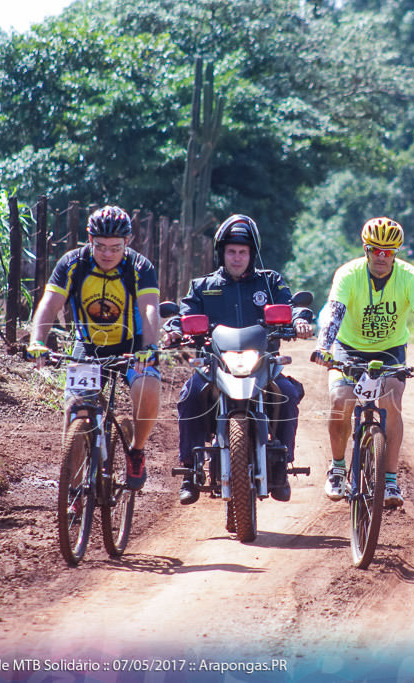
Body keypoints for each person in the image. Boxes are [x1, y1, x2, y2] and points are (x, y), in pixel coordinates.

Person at [164, 214, 314, 505]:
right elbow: (184, 315)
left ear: (252, 254)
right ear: (221, 253)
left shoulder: (270, 282)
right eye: (231, 251)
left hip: (263, 364)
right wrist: (173, 329)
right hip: (214, 366)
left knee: (289, 393)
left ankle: (281, 465)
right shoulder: (202, 286)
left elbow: (291, 306)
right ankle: (191, 471)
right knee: (189, 395)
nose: (236, 257)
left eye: (242, 252)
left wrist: (299, 321)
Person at [27, 205, 161, 490]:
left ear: (128, 242)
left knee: (148, 386)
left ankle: (136, 451)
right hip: (88, 346)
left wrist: (150, 347)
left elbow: (150, 309)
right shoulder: (72, 263)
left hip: (132, 347)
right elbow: (49, 305)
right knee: (75, 409)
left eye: (115, 247)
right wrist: (36, 341)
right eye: (100, 246)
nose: (107, 254)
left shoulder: (140, 267)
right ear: (89, 240)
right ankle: (73, 489)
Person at [311, 217, 414, 508]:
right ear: (366, 249)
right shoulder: (348, 274)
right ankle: (337, 468)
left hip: (389, 349)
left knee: (392, 401)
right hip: (348, 347)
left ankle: (391, 480)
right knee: (340, 400)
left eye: (388, 251)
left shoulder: (410, 276)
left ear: (397, 252)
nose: (382, 257)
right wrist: (323, 347)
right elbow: (334, 313)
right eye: (376, 250)